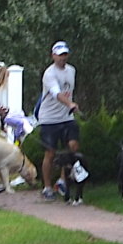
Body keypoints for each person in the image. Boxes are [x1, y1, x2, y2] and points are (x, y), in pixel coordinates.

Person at [35, 42, 80, 199]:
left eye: (65, 55)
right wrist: (70, 103)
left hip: (67, 117)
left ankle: (62, 179)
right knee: (50, 152)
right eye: (59, 55)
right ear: (53, 56)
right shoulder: (49, 74)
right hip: (49, 118)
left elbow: (69, 91)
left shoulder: (72, 70)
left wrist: (71, 106)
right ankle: (47, 187)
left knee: (73, 146)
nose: (62, 58)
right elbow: (56, 93)